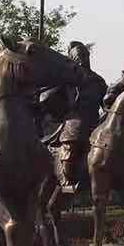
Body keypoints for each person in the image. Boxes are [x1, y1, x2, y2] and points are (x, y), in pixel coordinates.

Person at [44, 40, 106, 195]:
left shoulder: (98, 81)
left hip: (95, 121)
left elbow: (106, 104)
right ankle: (67, 180)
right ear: (73, 59)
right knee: (73, 135)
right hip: (74, 120)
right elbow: (48, 97)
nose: (83, 59)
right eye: (78, 56)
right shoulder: (66, 80)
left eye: (84, 55)